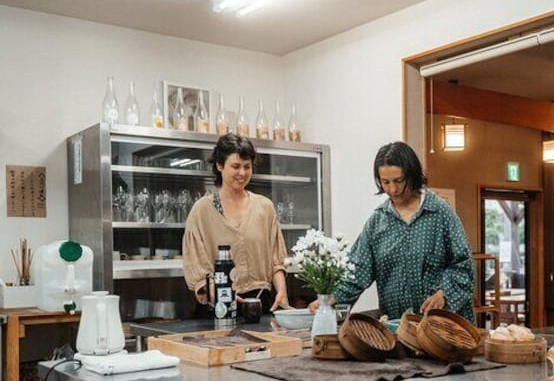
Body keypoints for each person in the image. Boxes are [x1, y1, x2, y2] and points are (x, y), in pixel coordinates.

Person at [311, 141, 474, 321]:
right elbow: (357, 270)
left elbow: (464, 265)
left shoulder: (440, 212)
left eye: (399, 181)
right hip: (399, 327)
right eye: (385, 182)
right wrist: (331, 298)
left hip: (444, 325)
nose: (392, 189)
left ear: (412, 175)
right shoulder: (377, 222)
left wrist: (444, 294)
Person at [182, 133, 291, 317]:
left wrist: (282, 292)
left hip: (259, 305)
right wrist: (224, 294)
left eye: (247, 167)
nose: (242, 173)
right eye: (236, 166)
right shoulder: (202, 211)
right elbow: (198, 269)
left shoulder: (265, 208)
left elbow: (276, 259)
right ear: (219, 166)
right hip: (219, 307)